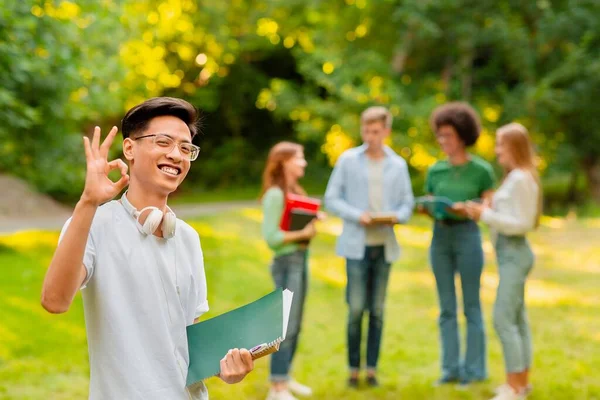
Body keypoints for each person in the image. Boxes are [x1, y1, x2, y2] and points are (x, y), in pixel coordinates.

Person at [41, 97, 254, 400]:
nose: (176, 155)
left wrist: (225, 367)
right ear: (129, 148)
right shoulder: (93, 223)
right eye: (164, 142)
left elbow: (187, 341)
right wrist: (88, 202)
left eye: (185, 148)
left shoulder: (188, 238)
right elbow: (55, 300)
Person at [324, 106, 414, 388]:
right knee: (355, 310)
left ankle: (372, 369)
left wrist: (397, 216)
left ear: (386, 132)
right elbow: (331, 198)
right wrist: (356, 215)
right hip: (356, 246)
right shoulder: (348, 160)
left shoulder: (398, 165)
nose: (371, 136)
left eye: (376, 131)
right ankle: (353, 369)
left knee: (377, 310)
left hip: (384, 245)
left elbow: (408, 204)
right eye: (366, 130)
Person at [465, 123, 542, 400]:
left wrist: (484, 216)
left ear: (514, 147)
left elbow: (522, 224)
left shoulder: (521, 178)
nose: (497, 151)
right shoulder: (515, 178)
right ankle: (520, 382)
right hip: (508, 254)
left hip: (515, 253)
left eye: (500, 145)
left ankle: (515, 388)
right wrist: (484, 208)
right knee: (518, 320)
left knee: (503, 319)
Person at [423, 102, 496, 387]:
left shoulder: (481, 170)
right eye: (440, 135)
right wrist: (427, 208)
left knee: (472, 306)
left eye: (448, 135)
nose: (443, 141)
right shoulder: (435, 170)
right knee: (446, 308)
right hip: (440, 236)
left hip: (467, 234)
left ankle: (475, 370)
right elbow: (430, 201)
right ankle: (450, 369)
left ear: (463, 136)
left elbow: (489, 204)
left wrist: (468, 207)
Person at [261, 142, 317, 400]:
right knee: (284, 326)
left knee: (296, 324)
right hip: (286, 263)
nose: (304, 163)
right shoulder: (275, 194)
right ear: (284, 162)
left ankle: (285, 376)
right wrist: (303, 233)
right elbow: (271, 237)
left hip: (299, 259)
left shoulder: (294, 191)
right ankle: (277, 387)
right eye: (299, 158)